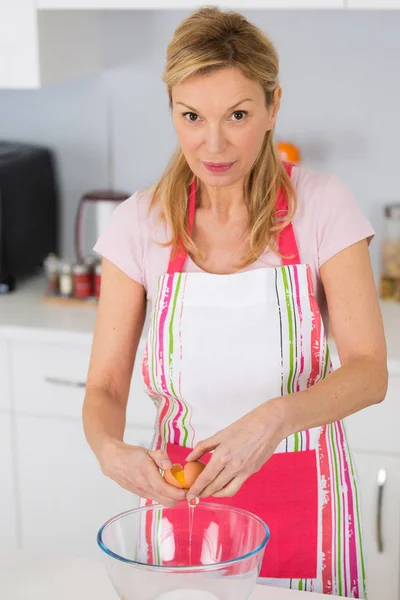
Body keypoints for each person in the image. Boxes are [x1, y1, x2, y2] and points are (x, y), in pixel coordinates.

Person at [82, 6, 387, 597]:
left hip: (307, 511)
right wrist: (108, 449)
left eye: (238, 115)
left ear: (274, 107)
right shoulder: (139, 224)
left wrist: (275, 417)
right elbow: (106, 390)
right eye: (192, 116)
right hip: (184, 510)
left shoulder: (323, 208)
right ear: (171, 108)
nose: (213, 144)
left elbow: (371, 372)